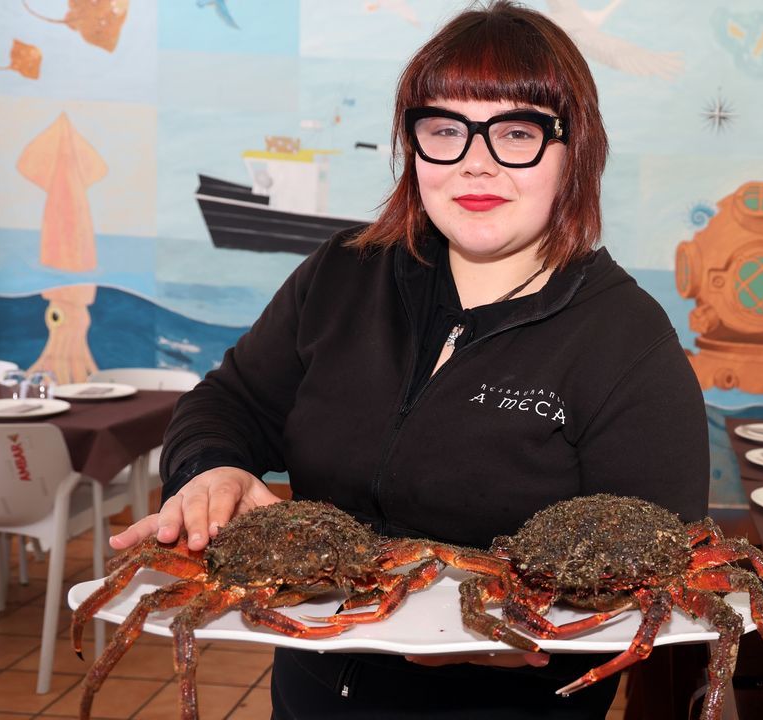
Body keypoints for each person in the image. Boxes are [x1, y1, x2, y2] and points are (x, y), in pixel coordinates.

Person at [111, 2, 708, 717]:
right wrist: (212, 468)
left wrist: (496, 636)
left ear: (573, 149)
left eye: (517, 130)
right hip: (310, 692)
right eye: (444, 130)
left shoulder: (627, 341)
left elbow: (656, 577)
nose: (475, 161)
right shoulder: (342, 275)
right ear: (414, 146)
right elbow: (227, 402)